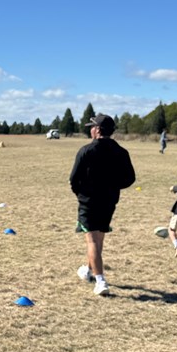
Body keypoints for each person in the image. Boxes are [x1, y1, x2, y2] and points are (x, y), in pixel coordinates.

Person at [69, 113, 136, 296]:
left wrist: (80, 194)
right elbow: (129, 178)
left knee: (92, 240)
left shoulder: (86, 151)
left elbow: (74, 179)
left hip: (88, 201)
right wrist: (113, 186)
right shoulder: (121, 152)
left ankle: (100, 281)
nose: (90, 130)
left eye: (92, 127)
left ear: (97, 130)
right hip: (109, 200)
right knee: (98, 239)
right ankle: (89, 270)